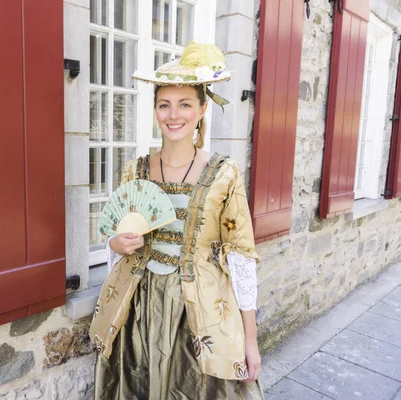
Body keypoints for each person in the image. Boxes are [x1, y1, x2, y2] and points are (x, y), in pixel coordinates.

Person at [89, 42, 265, 400]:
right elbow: (116, 244)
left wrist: (250, 340)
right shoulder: (134, 171)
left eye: (185, 104)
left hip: (198, 317)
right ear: (155, 111)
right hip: (138, 315)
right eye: (164, 105)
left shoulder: (224, 174)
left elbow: (241, 259)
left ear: (202, 109)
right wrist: (116, 243)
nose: (174, 115)